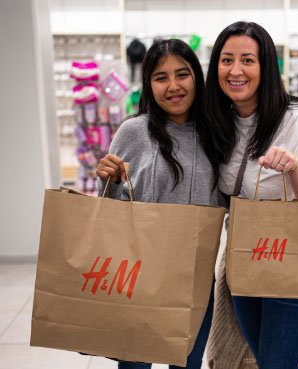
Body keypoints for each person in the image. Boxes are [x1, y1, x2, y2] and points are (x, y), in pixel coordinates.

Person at [204, 21, 298, 369]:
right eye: (226, 59)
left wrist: (293, 168)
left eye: (248, 60)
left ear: (265, 66)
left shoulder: (296, 119)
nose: (235, 70)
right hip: (247, 264)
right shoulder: (219, 122)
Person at [96, 38, 220, 369]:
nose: (173, 86)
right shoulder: (133, 132)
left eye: (182, 74)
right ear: (149, 85)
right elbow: (107, 209)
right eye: (161, 77)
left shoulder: (217, 135)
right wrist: (106, 177)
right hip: (137, 277)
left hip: (194, 278)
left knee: (187, 364)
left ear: (197, 77)